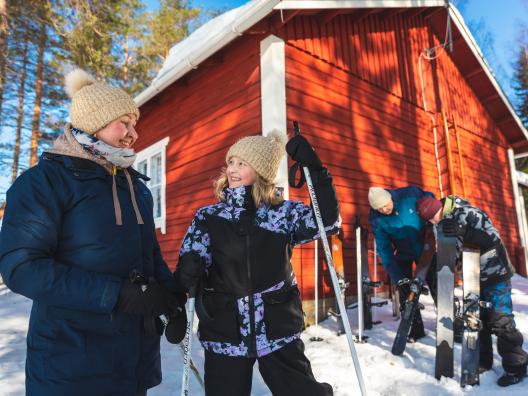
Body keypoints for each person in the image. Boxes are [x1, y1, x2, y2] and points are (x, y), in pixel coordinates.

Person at [0, 69, 187, 396]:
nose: (133, 133)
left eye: (134, 124)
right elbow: (22, 268)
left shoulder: (135, 187)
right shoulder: (44, 182)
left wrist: (170, 299)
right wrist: (117, 294)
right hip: (70, 364)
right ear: (93, 123)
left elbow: (150, 253)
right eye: (123, 123)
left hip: (132, 363)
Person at [174, 131, 339, 396]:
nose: (232, 170)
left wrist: (316, 171)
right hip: (225, 330)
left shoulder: (282, 213)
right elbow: (188, 262)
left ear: (261, 171)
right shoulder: (208, 216)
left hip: (276, 328)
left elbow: (327, 222)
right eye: (231, 162)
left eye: (242, 164)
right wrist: (188, 270)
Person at [416, 195, 528, 387]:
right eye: (429, 219)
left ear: (439, 208)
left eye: (434, 215)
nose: (433, 220)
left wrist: (465, 231)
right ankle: (484, 362)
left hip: (495, 272)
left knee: (501, 320)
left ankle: (516, 366)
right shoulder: (439, 224)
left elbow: (492, 238)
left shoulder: (469, 213)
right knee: (478, 319)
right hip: (472, 276)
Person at [368, 186, 437, 342]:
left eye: (386, 204)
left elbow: (431, 200)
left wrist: (432, 224)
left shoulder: (409, 195)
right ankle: (415, 329)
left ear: (390, 198)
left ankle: (449, 322)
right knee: (407, 292)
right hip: (403, 252)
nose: (384, 209)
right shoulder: (377, 220)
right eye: (379, 208)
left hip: (425, 247)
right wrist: (397, 277)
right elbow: (385, 251)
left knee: (437, 284)